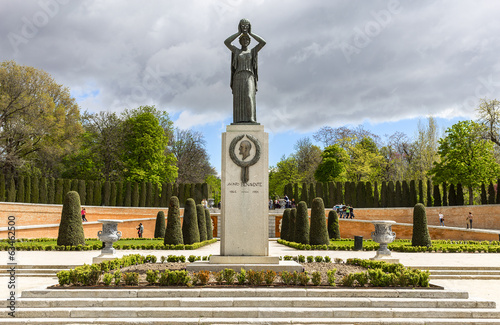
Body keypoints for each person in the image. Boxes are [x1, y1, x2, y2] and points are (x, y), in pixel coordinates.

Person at [224, 18, 266, 124]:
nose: (245, 41)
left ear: (249, 41)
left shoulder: (253, 51)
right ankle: (239, 120)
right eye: (243, 40)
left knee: (249, 96)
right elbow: (227, 42)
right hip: (238, 77)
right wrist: (239, 32)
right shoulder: (237, 51)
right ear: (240, 41)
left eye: (247, 40)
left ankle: (251, 118)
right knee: (238, 100)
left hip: (249, 76)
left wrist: (250, 33)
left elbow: (263, 42)